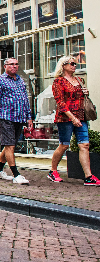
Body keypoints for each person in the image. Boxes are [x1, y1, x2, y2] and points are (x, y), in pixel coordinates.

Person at [48, 56, 100, 185]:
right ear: (63, 65)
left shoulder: (79, 80)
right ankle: (53, 171)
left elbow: (82, 98)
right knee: (64, 145)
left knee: (84, 145)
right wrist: (72, 118)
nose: (74, 66)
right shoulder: (58, 82)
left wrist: (85, 93)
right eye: (71, 63)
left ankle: (88, 176)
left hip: (81, 116)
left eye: (75, 64)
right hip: (65, 117)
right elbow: (60, 102)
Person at [0, 57, 33, 185]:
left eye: (16, 64)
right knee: (10, 146)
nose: (14, 66)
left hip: (19, 118)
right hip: (6, 117)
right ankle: (16, 174)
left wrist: (29, 117)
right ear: (5, 66)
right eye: (11, 64)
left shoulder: (20, 80)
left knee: (10, 144)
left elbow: (25, 99)